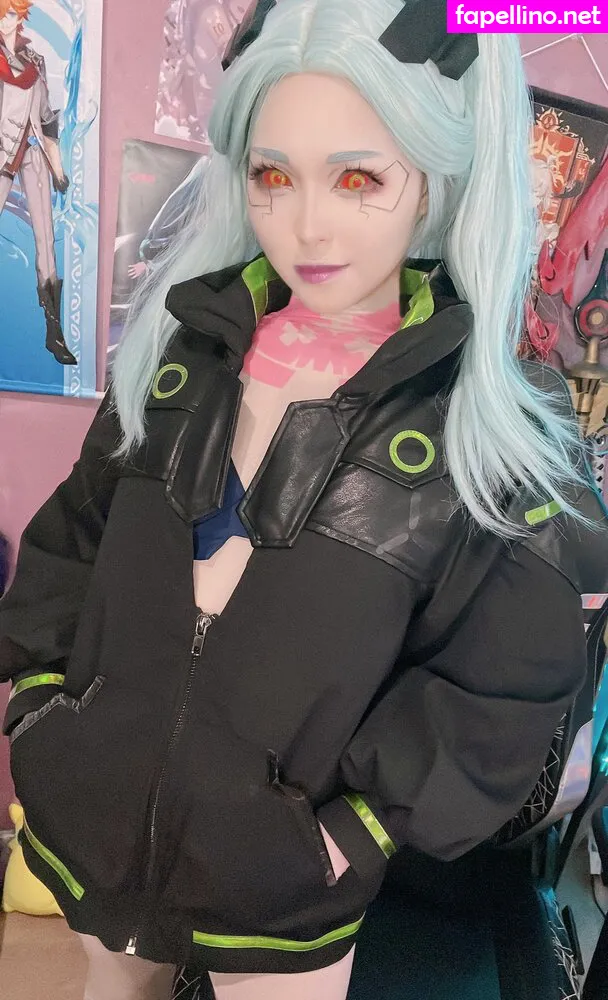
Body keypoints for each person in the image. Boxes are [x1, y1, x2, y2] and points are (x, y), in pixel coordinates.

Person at [1, 0, 607, 998]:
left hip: (281, 885)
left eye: (359, 177)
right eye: (272, 174)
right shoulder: (180, 353)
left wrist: (351, 833)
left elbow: (503, 678)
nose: (306, 225)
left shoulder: (482, 425)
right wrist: (40, 716)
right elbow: (73, 541)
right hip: (95, 832)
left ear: (434, 175)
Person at [0, 0, 75, 364]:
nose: (7, 21)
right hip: (1, 154)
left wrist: (58, 169)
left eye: (12, 14)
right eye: (2, 14)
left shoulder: (35, 61)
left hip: (32, 154)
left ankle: (54, 332)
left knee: (47, 242)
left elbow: (46, 119)